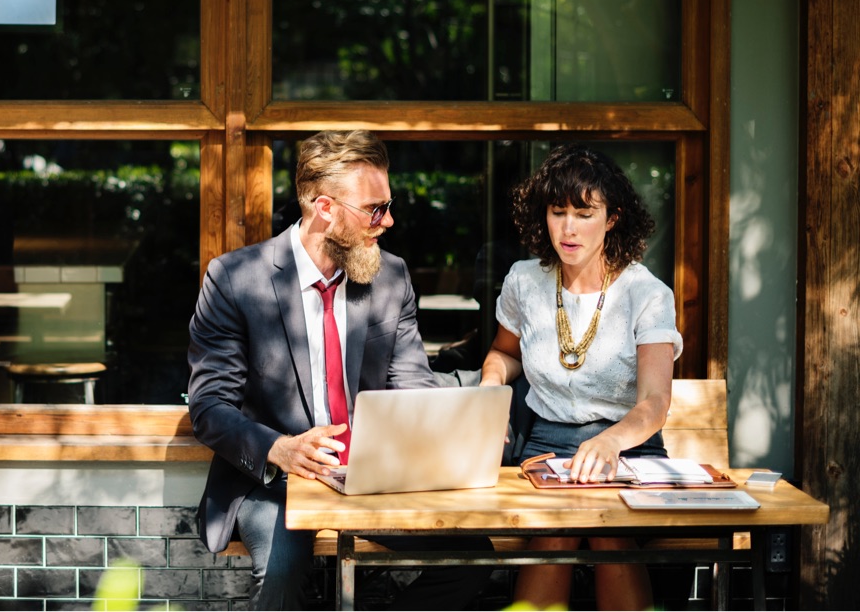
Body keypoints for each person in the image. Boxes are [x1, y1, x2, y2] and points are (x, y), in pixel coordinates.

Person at [188, 129, 491, 610]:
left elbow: (411, 388)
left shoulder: (391, 277)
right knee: (282, 577)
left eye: (388, 206)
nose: (387, 221)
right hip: (276, 482)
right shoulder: (234, 279)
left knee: (470, 561)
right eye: (374, 208)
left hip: (369, 477)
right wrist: (280, 449)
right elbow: (209, 407)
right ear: (325, 208)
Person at [479, 143, 683, 610]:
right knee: (556, 532)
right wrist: (491, 385)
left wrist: (610, 442)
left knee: (608, 532)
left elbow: (655, 403)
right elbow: (503, 353)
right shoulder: (524, 281)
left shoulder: (646, 293)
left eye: (584, 213)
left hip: (629, 450)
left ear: (612, 219)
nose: (568, 228)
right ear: (543, 216)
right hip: (544, 446)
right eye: (557, 212)